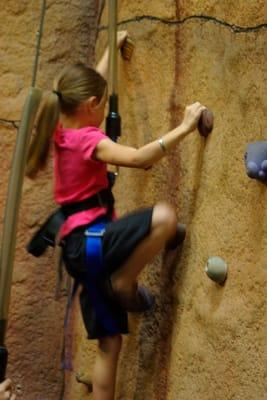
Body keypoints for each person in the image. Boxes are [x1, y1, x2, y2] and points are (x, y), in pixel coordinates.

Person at [26, 31, 206, 400]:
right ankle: (124, 281)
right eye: (102, 100)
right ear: (92, 105)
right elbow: (139, 159)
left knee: (110, 345)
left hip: (80, 250)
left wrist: (109, 51)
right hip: (93, 241)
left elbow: (87, 85)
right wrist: (185, 127)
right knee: (164, 218)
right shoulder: (90, 141)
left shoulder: (61, 128)